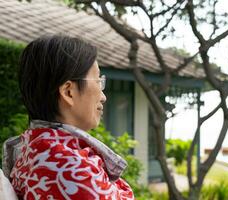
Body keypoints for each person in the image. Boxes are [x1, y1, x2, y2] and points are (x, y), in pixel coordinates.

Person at [6, 35, 134, 200]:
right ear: (68, 92)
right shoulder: (66, 166)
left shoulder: (35, 150)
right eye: (97, 81)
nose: (103, 97)